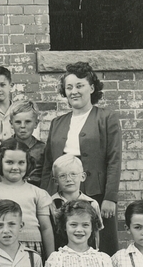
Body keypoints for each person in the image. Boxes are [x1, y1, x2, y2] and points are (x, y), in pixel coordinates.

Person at [40, 61, 122, 256]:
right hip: (62, 195)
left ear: (91, 88)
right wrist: (45, 196)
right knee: (62, 241)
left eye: (79, 85)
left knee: (99, 245)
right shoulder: (57, 123)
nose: (74, 91)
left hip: (96, 193)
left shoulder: (106, 118)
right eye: (69, 87)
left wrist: (110, 198)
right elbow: (48, 164)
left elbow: (114, 159)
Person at [0, 146, 55, 260]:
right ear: (0, 163)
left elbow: (46, 228)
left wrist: (51, 261)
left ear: (28, 164)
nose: (15, 167)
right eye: (9, 162)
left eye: (21, 163)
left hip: (32, 248)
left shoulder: (38, 193)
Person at [49, 154, 103, 250]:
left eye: (73, 174)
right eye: (62, 176)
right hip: (60, 251)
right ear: (55, 181)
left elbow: (95, 233)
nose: (68, 179)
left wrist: (96, 251)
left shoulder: (92, 203)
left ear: (83, 176)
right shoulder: (52, 203)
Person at [0, 100, 45, 187]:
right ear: (11, 124)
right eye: (18, 122)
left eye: (27, 122)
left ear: (36, 124)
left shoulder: (43, 149)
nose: (23, 126)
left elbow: (46, 176)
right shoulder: (4, 147)